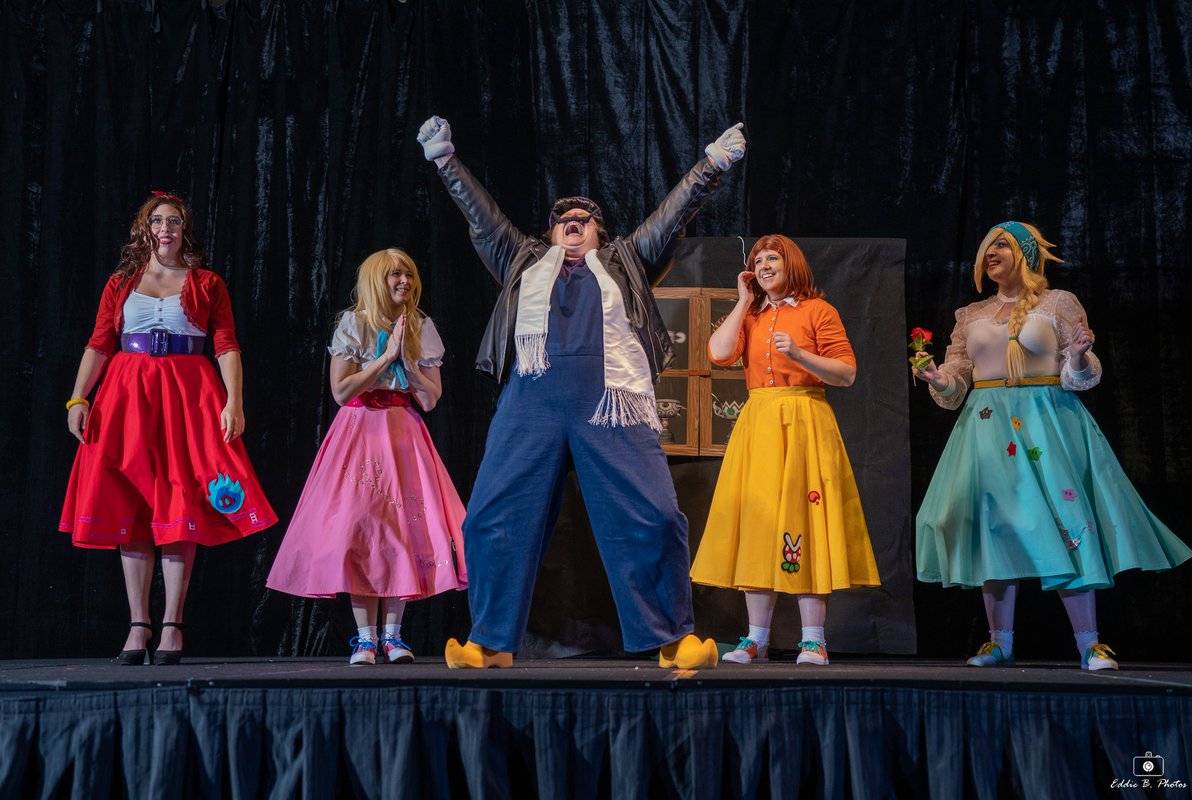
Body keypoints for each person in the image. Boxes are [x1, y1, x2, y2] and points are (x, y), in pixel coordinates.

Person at [416, 114, 746, 669]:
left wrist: (710, 166)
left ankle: (672, 640)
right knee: (492, 518)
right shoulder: (521, 261)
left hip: (611, 402)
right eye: (564, 219)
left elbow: (671, 216)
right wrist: (446, 161)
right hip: (533, 400)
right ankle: (491, 643)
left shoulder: (627, 261)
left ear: (601, 234)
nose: (574, 222)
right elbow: (483, 218)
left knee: (656, 517)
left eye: (585, 219)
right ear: (549, 234)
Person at [912, 221, 1192, 670]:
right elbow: (957, 378)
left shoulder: (1058, 303)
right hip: (986, 427)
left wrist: (1080, 355)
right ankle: (998, 642)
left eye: (1002, 245)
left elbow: (1082, 373)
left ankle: (1089, 643)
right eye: (987, 247)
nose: (992, 253)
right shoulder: (970, 314)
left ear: (1025, 253)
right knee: (993, 528)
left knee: (1067, 524)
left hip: (1046, 424)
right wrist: (937, 377)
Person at [60, 191, 277, 665]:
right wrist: (79, 397)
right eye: (157, 221)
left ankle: (172, 626)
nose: (165, 228)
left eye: (173, 221)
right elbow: (99, 343)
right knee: (131, 504)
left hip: (188, 397)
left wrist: (234, 401)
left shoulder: (207, 283)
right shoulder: (121, 282)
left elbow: (226, 345)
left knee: (181, 502)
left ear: (184, 229)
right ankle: (138, 625)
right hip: (127, 398)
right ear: (145, 229)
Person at [266, 249, 467, 665]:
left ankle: (393, 636)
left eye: (408, 274)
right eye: (395, 274)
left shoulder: (421, 326)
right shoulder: (354, 324)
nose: (404, 281)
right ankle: (365, 637)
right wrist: (384, 357)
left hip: (402, 432)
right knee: (360, 530)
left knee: (403, 528)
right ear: (377, 279)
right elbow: (341, 393)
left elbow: (430, 400)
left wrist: (406, 360)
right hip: (360, 431)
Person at [690, 235, 880, 666]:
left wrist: (800, 354)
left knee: (805, 522)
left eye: (771, 258)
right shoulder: (753, 314)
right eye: (757, 261)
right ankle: (756, 639)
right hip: (760, 425)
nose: (763, 265)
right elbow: (718, 353)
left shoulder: (818, 311)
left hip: (804, 421)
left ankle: (813, 639)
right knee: (760, 523)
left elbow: (846, 373)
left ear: (790, 263)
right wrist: (743, 300)